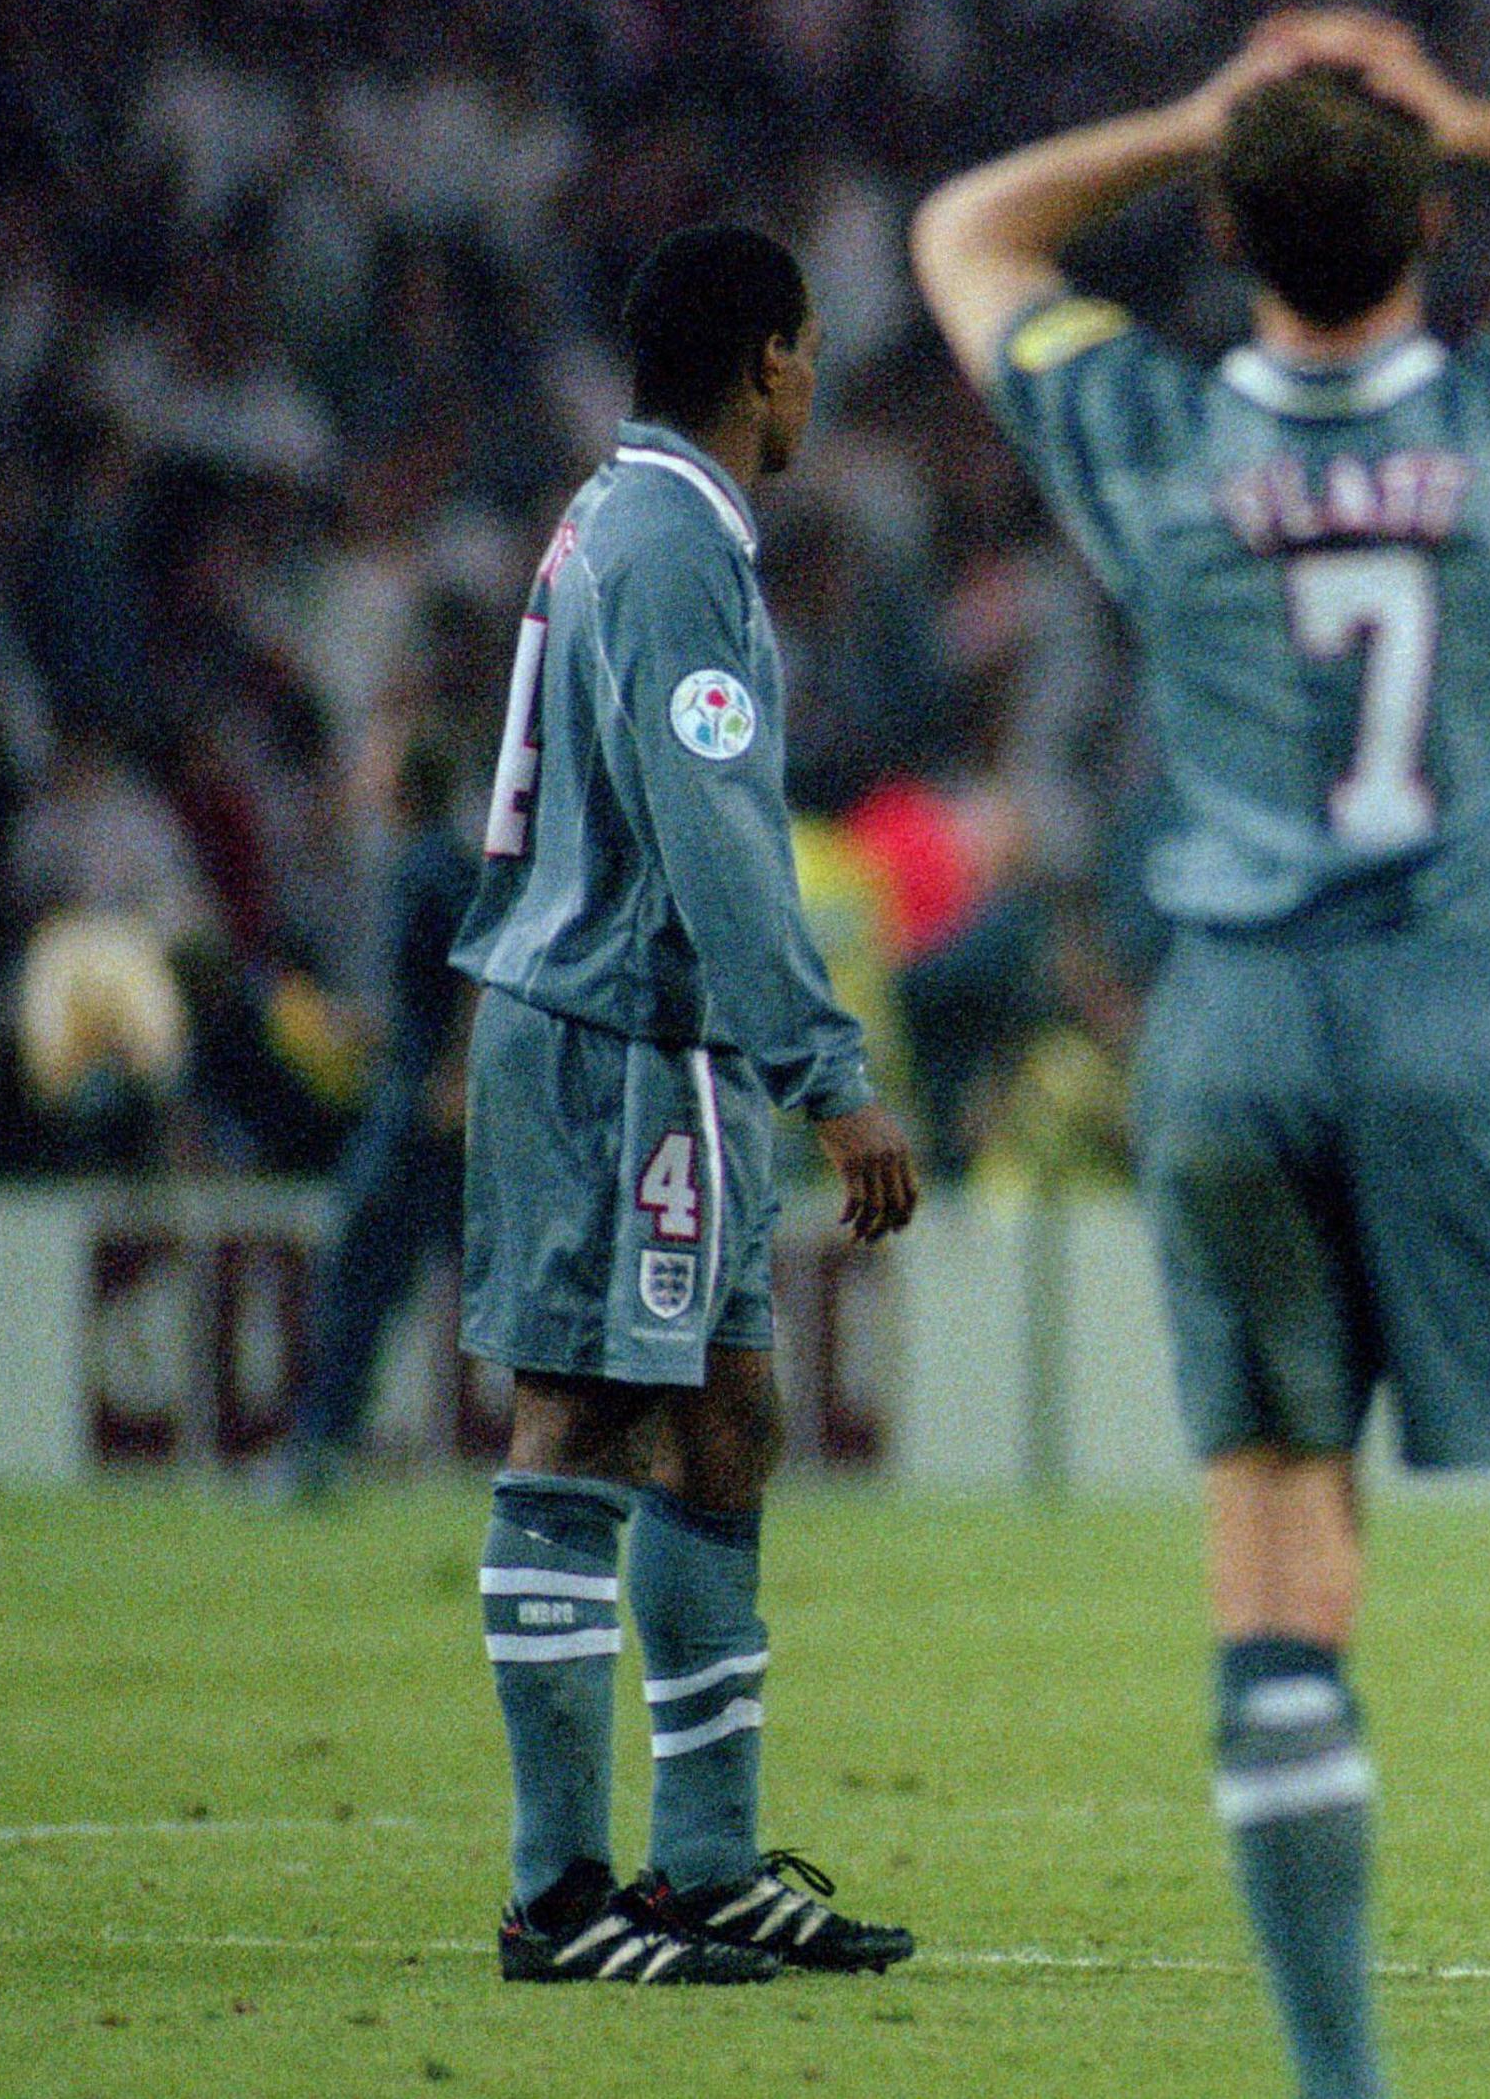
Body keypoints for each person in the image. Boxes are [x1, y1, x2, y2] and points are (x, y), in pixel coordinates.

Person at [911, 13, 1490, 2099]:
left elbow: (964, 228)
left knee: (1282, 1574)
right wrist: (1481, 117)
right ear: (1430, 218)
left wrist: (1188, 117)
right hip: (1464, 1010)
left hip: (1222, 1034)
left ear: (1223, 230)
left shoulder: (1146, 432)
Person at [451, 223, 924, 1985]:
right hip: (614, 1036)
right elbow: (715, 828)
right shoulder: (667, 546)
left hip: (667, 1052)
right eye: (807, 350)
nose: (817, 379)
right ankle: (560, 1894)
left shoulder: (633, 519)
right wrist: (834, 1075)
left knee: (729, 1413)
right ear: (768, 364)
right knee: (578, 1421)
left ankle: (706, 1862)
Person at [274, 722, 480, 1500]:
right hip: (419, 1095)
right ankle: (325, 1442)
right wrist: (361, 1028)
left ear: (400, 783)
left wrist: (459, 1073)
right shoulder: (428, 862)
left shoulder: (431, 867)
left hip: (424, 1109)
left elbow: (478, 973)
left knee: (360, 1269)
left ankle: (320, 1445)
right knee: (438, 1273)